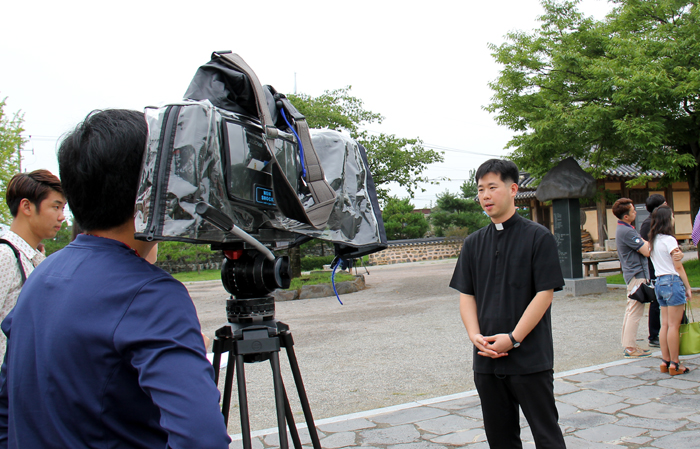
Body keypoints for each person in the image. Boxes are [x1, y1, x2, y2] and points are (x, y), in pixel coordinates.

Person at [0, 110, 231, 448]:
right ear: (152, 189)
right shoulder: (151, 296)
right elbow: (202, 439)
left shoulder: (41, 275)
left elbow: (7, 409)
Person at [450, 159, 566, 448]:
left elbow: (545, 294)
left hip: (530, 359)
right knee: (500, 440)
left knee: (546, 435)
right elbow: (467, 295)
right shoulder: (473, 243)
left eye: (492, 187)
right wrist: (474, 337)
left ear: (513, 189)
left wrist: (514, 339)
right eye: (480, 189)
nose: (485, 196)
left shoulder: (539, 238)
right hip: (487, 360)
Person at [0, 170, 65, 360]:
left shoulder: (35, 258)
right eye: (56, 207)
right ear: (27, 207)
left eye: (63, 208)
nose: (62, 216)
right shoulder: (5, 255)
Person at [649, 205, 692, 375]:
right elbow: (678, 267)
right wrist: (688, 287)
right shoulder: (669, 240)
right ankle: (675, 363)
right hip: (672, 281)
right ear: (668, 220)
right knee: (675, 325)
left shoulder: (653, 239)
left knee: (665, 325)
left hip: (659, 282)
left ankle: (665, 360)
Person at [613, 197, 653, 358]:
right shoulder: (627, 231)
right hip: (637, 275)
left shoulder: (625, 228)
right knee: (635, 311)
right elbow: (647, 250)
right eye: (632, 210)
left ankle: (629, 344)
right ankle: (630, 347)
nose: (635, 211)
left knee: (631, 310)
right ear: (626, 216)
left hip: (632, 273)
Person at [638, 194, 666, 348]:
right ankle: (654, 334)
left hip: (664, 265)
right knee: (656, 301)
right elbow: (644, 247)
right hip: (654, 266)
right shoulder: (648, 224)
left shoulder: (662, 222)